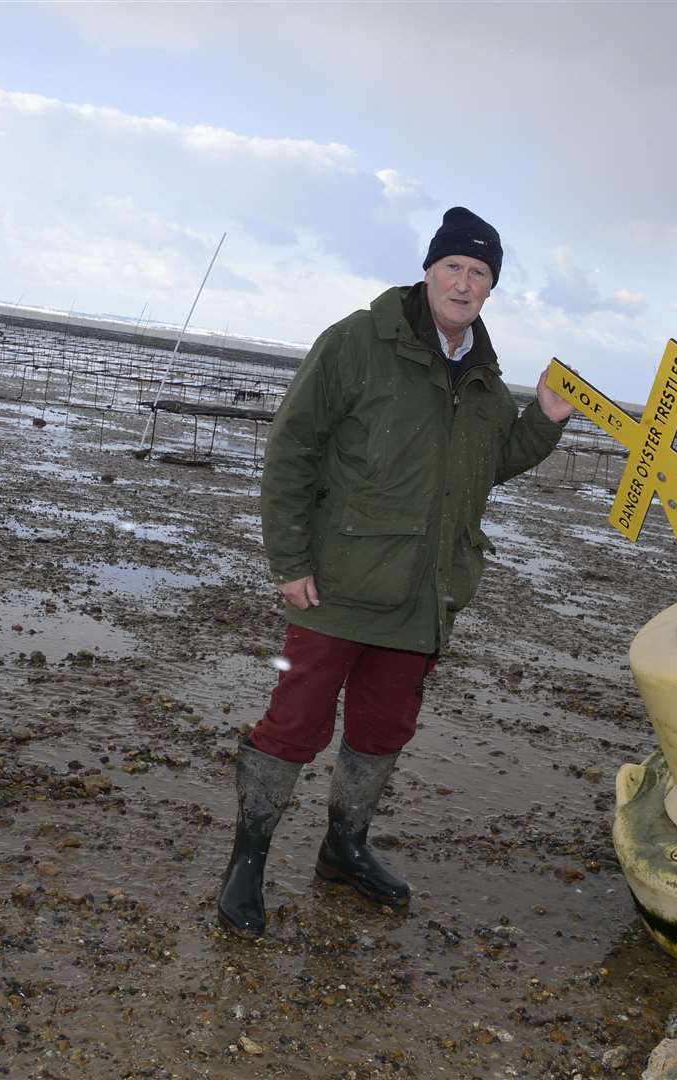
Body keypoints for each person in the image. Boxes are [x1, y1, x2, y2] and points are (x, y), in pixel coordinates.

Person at [218, 206, 575, 936]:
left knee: (384, 730)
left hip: (424, 597)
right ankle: (246, 863)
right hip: (338, 584)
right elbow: (293, 448)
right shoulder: (356, 341)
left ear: (489, 289)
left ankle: (343, 849)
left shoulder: (482, 375)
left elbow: (484, 466)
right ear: (428, 270)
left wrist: (542, 419)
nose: (465, 282)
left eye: (480, 274)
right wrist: (288, 559)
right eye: (455, 267)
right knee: (293, 724)